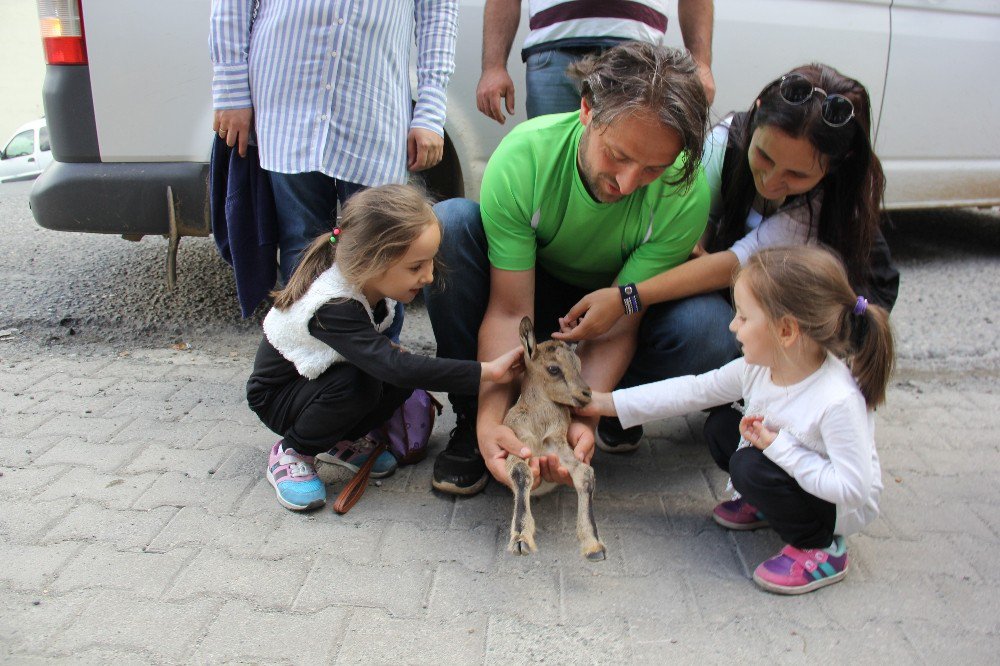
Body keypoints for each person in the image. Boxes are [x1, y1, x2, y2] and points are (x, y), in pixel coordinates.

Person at [424, 42, 731, 497]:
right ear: (587, 110)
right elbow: (511, 312)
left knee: (710, 330)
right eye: (618, 155)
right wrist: (492, 423)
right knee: (448, 225)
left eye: (652, 169)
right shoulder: (525, 158)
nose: (627, 184)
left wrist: (576, 417)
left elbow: (620, 325)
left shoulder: (684, 192)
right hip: (527, 294)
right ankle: (476, 415)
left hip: (613, 311)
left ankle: (610, 407)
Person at [554, 63, 900, 452]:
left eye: (796, 176)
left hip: (791, 313)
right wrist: (688, 249)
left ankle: (757, 408)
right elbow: (689, 233)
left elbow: (729, 265)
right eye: (764, 157)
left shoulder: (824, 207)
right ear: (755, 115)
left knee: (711, 342)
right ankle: (630, 402)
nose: (771, 181)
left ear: (833, 167)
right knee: (688, 315)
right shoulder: (723, 142)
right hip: (748, 298)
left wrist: (629, 296)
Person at [579, 245, 895, 595]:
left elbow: (852, 490)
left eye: (743, 317)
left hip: (838, 506)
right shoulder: (759, 367)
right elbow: (693, 390)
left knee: (748, 464)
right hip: (796, 469)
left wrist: (779, 448)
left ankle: (820, 546)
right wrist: (602, 403)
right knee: (720, 428)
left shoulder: (837, 400)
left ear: (786, 331)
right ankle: (770, 505)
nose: (732, 325)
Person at [246, 185, 522, 511]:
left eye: (431, 262)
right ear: (374, 260)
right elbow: (392, 364)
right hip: (279, 397)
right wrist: (485, 372)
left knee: (393, 378)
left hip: (317, 385)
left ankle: (338, 440)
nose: (429, 276)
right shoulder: (332, 305)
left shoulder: (372, 287)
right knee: (364, 381)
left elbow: (394, 367)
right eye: (416, 267)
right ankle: (293, 450)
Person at [209, 0, 458, 284]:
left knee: (384, 248)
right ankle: (304, 328)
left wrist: (430, 110)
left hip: (373, 107)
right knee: (303, 249)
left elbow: (439, 9)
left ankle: (373, 331)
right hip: (287, 102)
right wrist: (231, 90)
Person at [476, 0, 716, 124]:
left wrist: (701, 63)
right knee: (550, 166)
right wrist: (493, 66)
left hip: (638, 58)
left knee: (631, 162)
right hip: (554, 51)